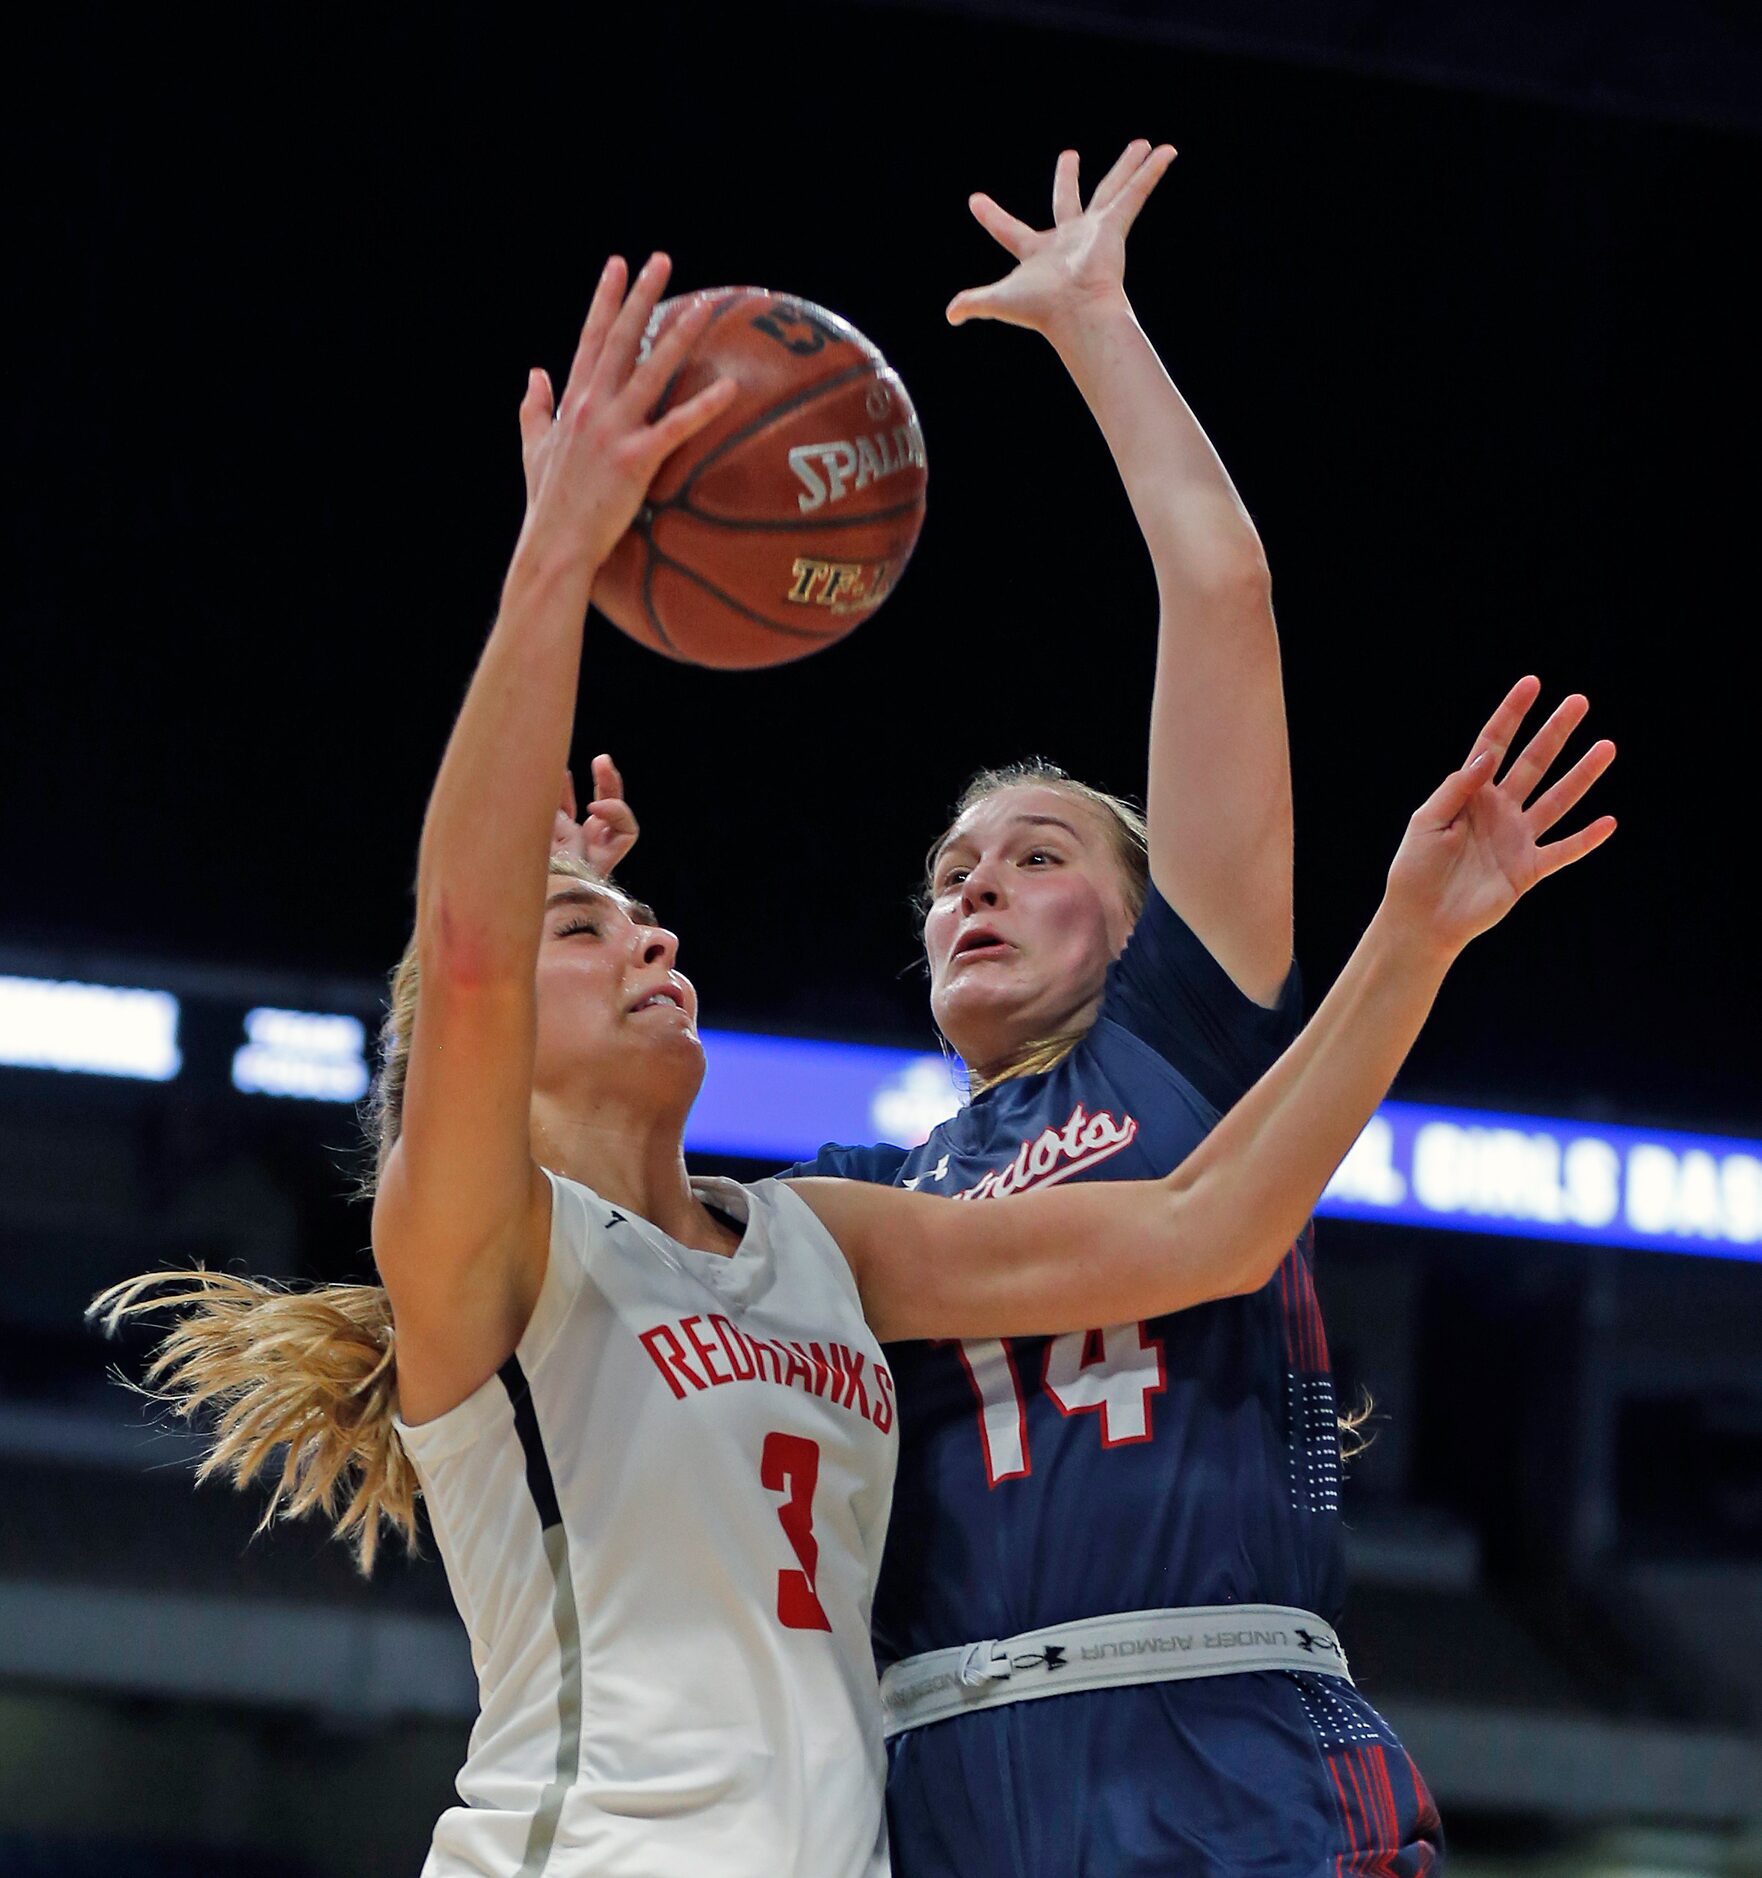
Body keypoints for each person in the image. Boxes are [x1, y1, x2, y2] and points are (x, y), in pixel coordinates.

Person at [94, 253, 1613, 1878]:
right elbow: (461, 950)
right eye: (598, 938)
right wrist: (560, 564)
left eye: (1033, 859)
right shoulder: (511, 1247)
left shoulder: (830, 1231)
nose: (658, 943)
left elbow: (1209, 1228)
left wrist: (1409, 942)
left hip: (1090, 1786)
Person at [744, 144, 1616, 1874]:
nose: (970, 885)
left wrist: (1092, 328)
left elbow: (1219, 591)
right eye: (947, 870)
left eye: (1032, 852)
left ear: (1146, 919)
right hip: (943, 1777)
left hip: (1216, 1746)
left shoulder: (1183, 1036)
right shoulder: (864, 1188)